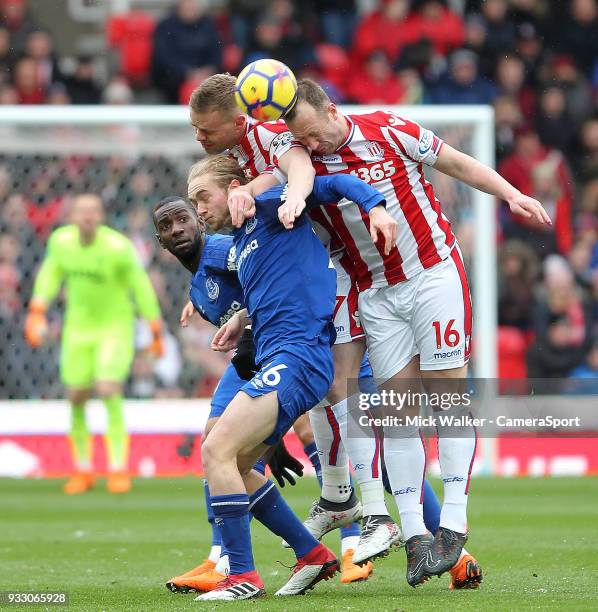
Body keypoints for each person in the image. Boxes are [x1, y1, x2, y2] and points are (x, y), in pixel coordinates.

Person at [229, 78, 549, 587]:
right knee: (397, 411)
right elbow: (274, 191)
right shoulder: (301, 166)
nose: (312, 147)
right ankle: (416, 533)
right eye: (302, 142)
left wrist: (510, 193)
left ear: (332, 109)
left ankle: (455, 525)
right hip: (374, 293)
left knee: (447, 397)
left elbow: (455, 162)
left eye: (314, 134)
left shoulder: (387, 128)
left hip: (432, 273)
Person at [189, 73, 400, 566]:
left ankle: (381, 531)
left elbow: (311, 175)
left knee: (352, 435)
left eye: (201, 199)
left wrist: (363, 203)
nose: (195, 212)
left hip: (313, 342)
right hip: (272, 350)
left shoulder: (270, 185)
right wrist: (239, 314)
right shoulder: (235, 243)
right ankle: (311, 550)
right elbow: (255, 278)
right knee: (228, 453)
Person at [24, 194, 164, 494]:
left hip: (114, 327)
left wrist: (154, 326)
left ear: (101, 216)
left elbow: (140, 285)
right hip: (77, 329)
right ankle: (83, 469)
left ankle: (117, 468)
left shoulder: (117, 248)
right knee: (76, 395)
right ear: (72, 215)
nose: (87, 216)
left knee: (107, 388)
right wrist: (37, 310)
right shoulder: (61, 242)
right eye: (82, 211)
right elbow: (50, 274)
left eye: (93, 211)